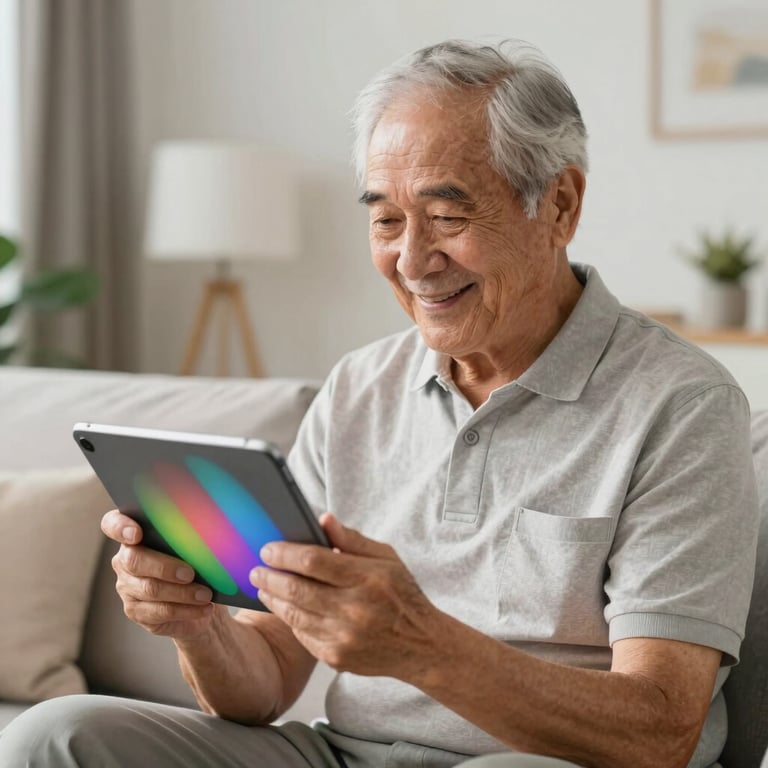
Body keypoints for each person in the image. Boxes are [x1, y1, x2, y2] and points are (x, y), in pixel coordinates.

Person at [0, 38, 758, 768]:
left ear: (559, 204)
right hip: (345, 752)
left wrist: (423, 645)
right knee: (57, 737)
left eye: (448, 216)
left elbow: (660, 730)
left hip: (538, 763)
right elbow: (265, 682)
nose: (412, 259)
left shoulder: (681, 405)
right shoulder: (358, 388)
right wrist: (197, 627)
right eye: (386, 219)